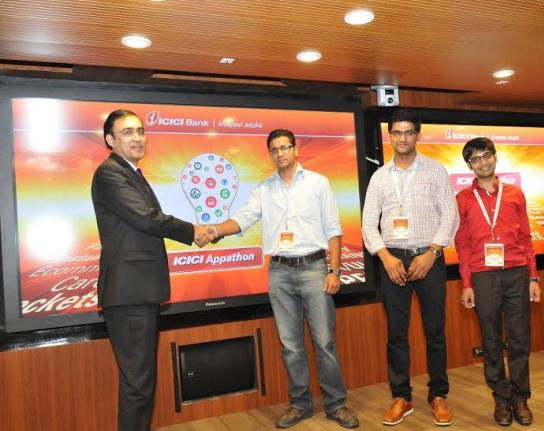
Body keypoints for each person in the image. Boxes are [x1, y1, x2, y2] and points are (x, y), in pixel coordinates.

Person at [210, 129, 359, 429]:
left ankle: (336, 405)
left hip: (314, 268)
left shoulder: (318, 182)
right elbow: (242, 219)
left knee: (324, 342)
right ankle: (300, 405)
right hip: (279, 271)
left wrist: (334, 271)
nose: (280, 153)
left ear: (295, 149)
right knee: (290, 345)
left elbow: (333, 229)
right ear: (270, 154)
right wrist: (214, 231)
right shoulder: (264, 189)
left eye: (285, 147)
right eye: (274, 149)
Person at [91, 109, 214, 431]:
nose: (137, 138)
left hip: (137, 292)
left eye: (140, 131)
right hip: (129, 293)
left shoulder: (130, 172)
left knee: (140, 383)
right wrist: (193, 231)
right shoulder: (110, 174)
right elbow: (146, 218)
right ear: (110, 140)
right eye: (128, 132)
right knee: (138, 385)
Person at [361, 108, 459, 427]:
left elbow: (450, 215)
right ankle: (401, 397)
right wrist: (386, 257)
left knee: (435, 332)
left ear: (417, 135)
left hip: (429, 258)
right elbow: (368, 224)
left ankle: (438, 396)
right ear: (389, 136)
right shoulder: (379, 177)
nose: (402, 138)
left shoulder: (435, 170)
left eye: (408, 132)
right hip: (392, 262)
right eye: (396, 132)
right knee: (396, 334)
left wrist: (432, 253)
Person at [455, 137, 542, 427]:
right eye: (475, 159)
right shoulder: (463, 199)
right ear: (469, 165)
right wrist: (467, 283)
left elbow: (526, 237)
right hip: (483, 276)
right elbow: (463, 243)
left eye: (486, 155)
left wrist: (533, 276)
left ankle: (520, 398)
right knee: (491, 341)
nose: (482, 162)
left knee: (520, 339)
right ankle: (501, 399)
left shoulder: (515, 193)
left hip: (517, 272)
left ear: (495, 157)